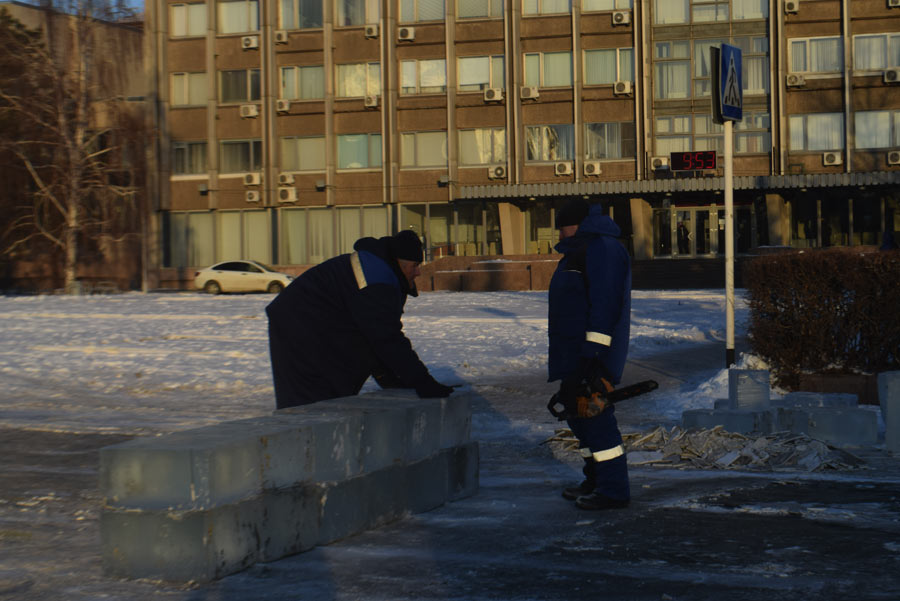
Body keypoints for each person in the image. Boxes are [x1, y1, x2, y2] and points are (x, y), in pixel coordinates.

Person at [266, 230, 454, 408]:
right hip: (298, 324)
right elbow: (386, 338)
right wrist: (422, 382)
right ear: (399, 262)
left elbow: (376, 339)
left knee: (341, 374)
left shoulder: (380, 270)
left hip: (316, 322)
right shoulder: (376, 278)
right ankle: (303, 433)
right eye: (414, 266)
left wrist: (398, 384)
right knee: (312, 393)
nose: (418, 273)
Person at [548, 198, 632, 511]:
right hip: (574, 353)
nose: (559, 235)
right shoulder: (578, 250)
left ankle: (613, 489)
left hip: (591, 355)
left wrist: (593, 355)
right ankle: (595, 479)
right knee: (578, 416)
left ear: (578, 225)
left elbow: (605, 304)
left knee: (594, 416)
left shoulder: (601, 249)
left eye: (563, 228)